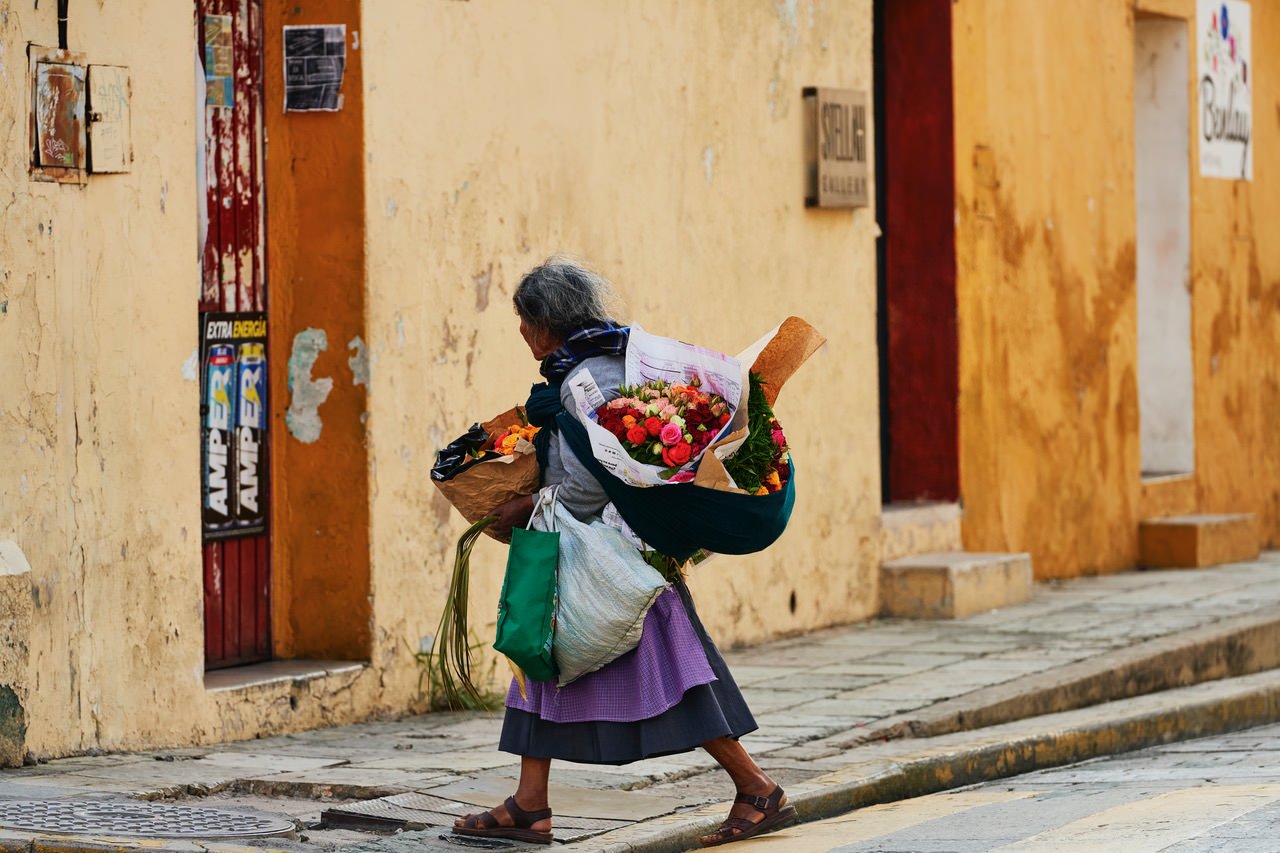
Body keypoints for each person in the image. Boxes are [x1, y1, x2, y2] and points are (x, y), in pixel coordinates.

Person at [452, 257, 797, 848]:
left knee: (679, 679)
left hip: (616, 559)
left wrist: (526, 507)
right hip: (590, 551)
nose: (520, 335)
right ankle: (529, 803)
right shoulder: (604, 360)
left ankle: (757, 787)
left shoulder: (591, 379)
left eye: (522, 322)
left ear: (542, 324)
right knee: (534, 657)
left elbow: (598, 478)